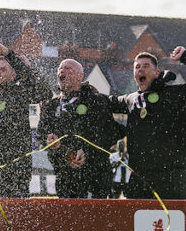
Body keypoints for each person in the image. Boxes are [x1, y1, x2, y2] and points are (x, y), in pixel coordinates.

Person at [110, 47, 186, 199]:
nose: (140, 69)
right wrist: (84, 91)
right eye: (137, 67)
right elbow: (104, 103)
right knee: (135, 214)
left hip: (171, 177)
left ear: (157, 72)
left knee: (170, 215)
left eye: (146, 66)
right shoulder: (131, 100)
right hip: (139, 177)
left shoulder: (177, 94)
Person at [0, 43, 52, 198]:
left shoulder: (20, 93)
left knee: (14, 209)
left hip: (15, 171)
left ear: (12, 73)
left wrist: (10, 55)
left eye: (3, 69)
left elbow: (44, 91)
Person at [38, 59, 124, 198]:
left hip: (95, 176)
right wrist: (49, 141)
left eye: (68, 68)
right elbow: (41, 133)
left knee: (94, 211)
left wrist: (87, 152)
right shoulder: (51, 106)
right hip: (65, 177)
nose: (62, 71)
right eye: (60, 69)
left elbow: (113, 133)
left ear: (80, 76)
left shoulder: (95, 101)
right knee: (67, 211)